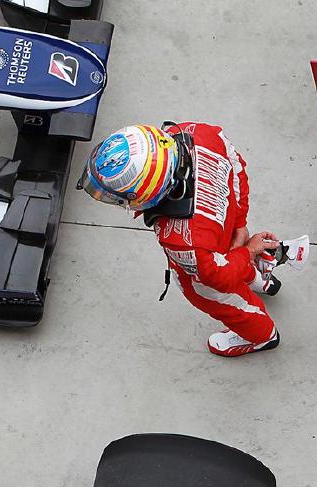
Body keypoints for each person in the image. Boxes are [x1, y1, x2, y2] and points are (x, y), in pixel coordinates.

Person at [77, 122, 283, 357]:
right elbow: (236, 167)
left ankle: (263, 337)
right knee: (232, 255)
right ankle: (259, 279)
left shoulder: (179, 239)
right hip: (225, 232)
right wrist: (240, 224)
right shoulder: (197, 132)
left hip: (208, 263)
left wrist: (246, 252)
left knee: (234, 306)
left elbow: (217, 277)